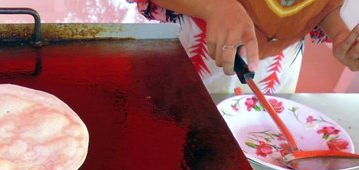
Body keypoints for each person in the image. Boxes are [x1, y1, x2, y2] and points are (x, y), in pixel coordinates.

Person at [128, 0, 359, 93]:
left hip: (278, 72)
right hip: (194, 48)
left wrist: (340, 33)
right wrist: (215, 7)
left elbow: (322, 6)